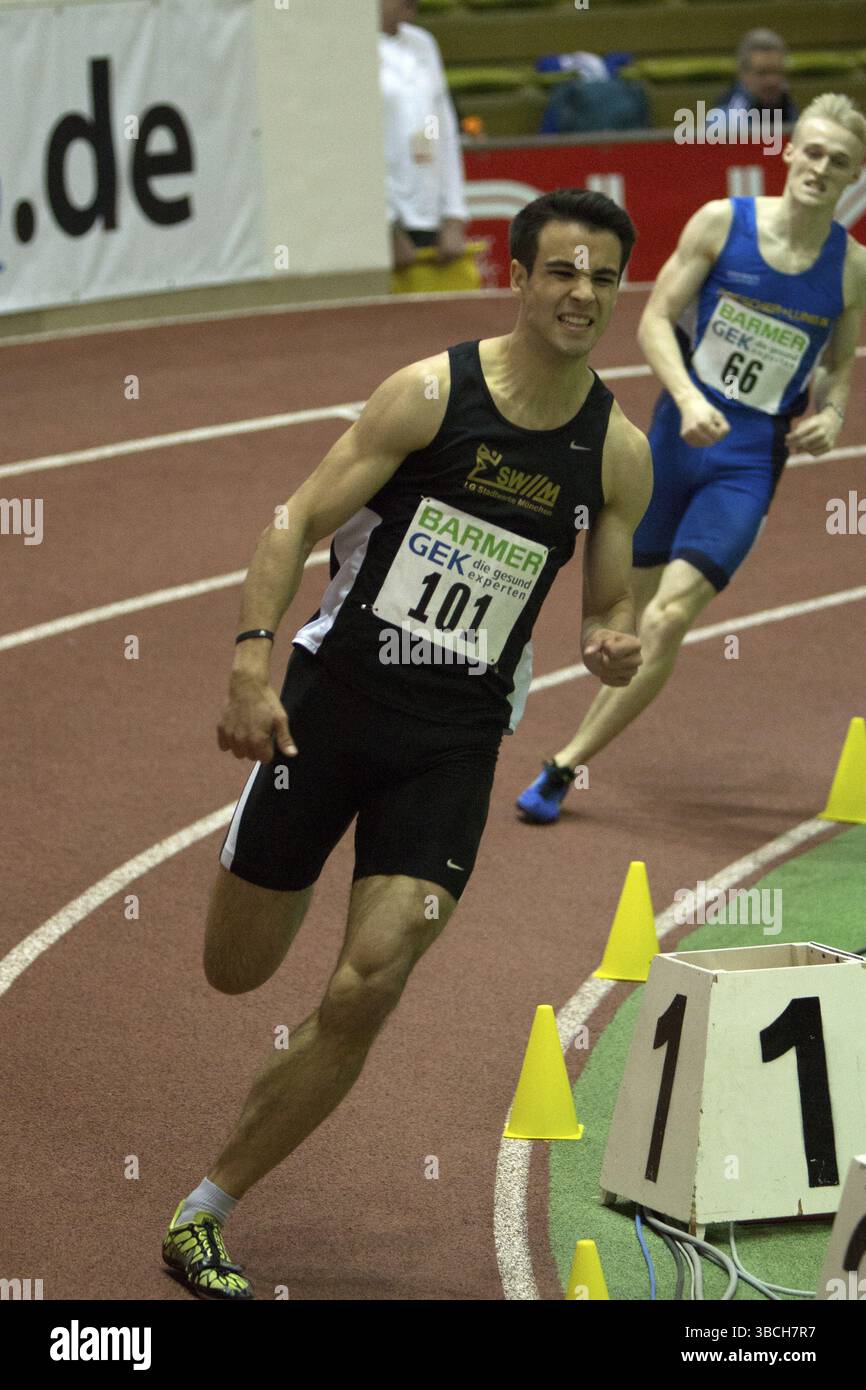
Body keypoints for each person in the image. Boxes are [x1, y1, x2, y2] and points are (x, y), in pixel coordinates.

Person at [160, 188, 652, 1298]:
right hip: (325, 714)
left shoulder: (614, 452)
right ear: (518, 276)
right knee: (235, 971)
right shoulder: (430, 395)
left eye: (602, 278)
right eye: (561, 272)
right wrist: (249, 658)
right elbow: (295, 520)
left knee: (365, 984)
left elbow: (605, 609)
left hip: (451, 747)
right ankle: (265, 852)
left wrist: (615, 640)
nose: (581, 294)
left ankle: (204, 1209)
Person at [517, 94, 866, 825]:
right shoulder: (721, 222)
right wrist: (688, 395)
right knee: (623, 621)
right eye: (812, 151)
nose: (820, 168)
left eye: (839, 160)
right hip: (673, 445)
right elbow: (651, 319)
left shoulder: (851, 268)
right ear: (789, 151)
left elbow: (838, 364)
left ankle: (564, 764)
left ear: (853, 174)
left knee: (670, 619)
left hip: (746, 465)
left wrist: (832, 413)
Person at [379, 0, 468, 271]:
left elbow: (446, 132)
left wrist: (454, 215)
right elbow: (350, 145)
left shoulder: (423, 43)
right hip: (386, 226)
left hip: (430, 217)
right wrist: (386, 226)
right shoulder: (349, 49)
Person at [708, 28, 798, 130]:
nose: (772, 81)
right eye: (762, 73)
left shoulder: (789, 108)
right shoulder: (723, 122)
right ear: (743, 74)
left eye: (777, 72)